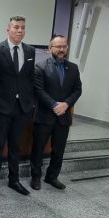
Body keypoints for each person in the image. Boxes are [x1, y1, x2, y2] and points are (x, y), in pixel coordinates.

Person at [0, 16, 35, 197]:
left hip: (22, 107)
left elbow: (29, 78)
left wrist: (31, 102)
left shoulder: (30, 50)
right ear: (7, 29)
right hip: (1, 106)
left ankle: (14, 180)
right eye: (16, 27)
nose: (19, 31)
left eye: (22, 28)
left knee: (16, 146)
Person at [30, 35, 82, 190]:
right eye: (58, 46)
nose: (61, 49)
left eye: (64, 46)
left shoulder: (73, 68)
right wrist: (54, 105)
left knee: (59, 150)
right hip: (45, 116)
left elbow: (77, 90)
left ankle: (52, 177)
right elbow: (38, 90)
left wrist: (66, 104)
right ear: (49, 48)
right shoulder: (40, 66)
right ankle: (36, 177)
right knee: (38, 149)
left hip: (63, 117)